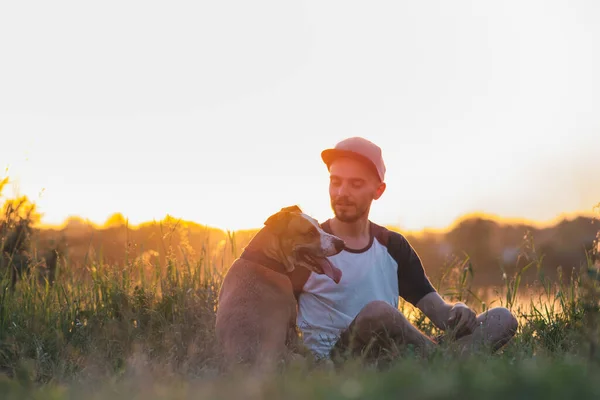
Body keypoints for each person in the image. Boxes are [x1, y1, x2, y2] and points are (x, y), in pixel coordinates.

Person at [288, 137, 518, 362]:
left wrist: (456, 310)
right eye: (336, 182)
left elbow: (439, 311)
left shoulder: (392, 246)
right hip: (336, 362)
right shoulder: (306, 245)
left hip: (394, 355)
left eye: (355, 184)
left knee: (502, 319)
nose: (341, 193)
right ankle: (445, 362)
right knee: (379, 313)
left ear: (378, 190)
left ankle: (437, 361)